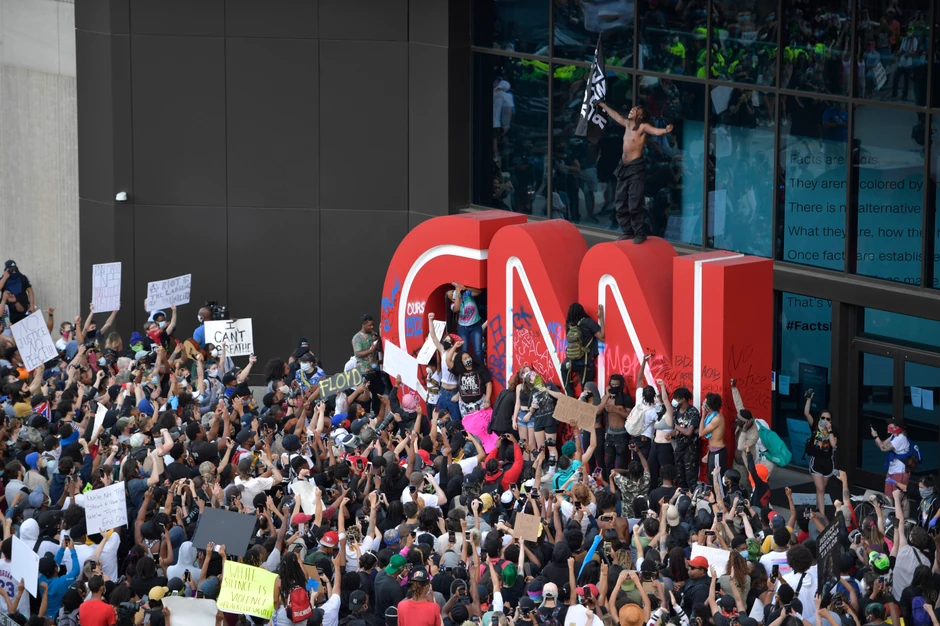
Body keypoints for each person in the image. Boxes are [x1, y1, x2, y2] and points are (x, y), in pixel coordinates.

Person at [596, 103, 674, 243]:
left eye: (636, 110)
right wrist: (603, 105)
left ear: (641, 116)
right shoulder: (627, 124)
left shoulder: (642, 127)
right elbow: (615, 115)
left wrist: (666, 130)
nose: (632, 110)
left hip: (635, 168)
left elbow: (655, 131)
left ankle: (640, 232)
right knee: (620, 202)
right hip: (623, 167)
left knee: (634, 202)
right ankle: (627, 231)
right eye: (632, 108)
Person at [805, 390, 838, 514]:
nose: (825, 420)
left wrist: (829, 430)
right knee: (820, 488)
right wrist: (809, 399)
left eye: (827, 419)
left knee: (822, 488)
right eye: (823, 418)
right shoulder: (815, 425)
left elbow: (834, 444)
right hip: (816, 460)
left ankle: (818, 507)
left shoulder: (833, 430)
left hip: (828, 462)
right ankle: (822, 515)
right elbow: (806, 413)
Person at [561, 303, 604, 396]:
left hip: (571, 361)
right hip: (585, 363)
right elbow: (602, 337)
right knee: (586, 390)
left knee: (563, 368)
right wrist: (601, 318)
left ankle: (570, 394)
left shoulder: (569, 325)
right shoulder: (588, 322)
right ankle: (584, 405)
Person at [871, 418, 911, 499]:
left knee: (900, 498)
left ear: (897, 427)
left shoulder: (901, 439)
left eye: (891, 425)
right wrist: (876, 437)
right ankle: (891, 511)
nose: (888, 426)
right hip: (892, 470)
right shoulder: (894, 436)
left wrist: (875, 436)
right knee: (888, 496)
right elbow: (881, 445)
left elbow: (884, 448)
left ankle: (900, 512)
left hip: (900, 472)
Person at [0, 260, 36, 324]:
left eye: (15, 270)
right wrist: (5, 277)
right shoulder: (2, 279)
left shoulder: (22, 277)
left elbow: (30, 291)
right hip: (8, 313)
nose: (14, 272)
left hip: (22, 310)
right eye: (11, 270)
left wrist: (32, 305)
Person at [699, 392, 726, 476]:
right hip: (712, 450)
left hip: (717, 451)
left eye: (705, 402)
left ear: (708, 407)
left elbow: (701, 433)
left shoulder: (716, 418)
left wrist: (703, 415)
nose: (703, 404)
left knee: (716, 479)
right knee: (711, 478)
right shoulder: (712, 415)